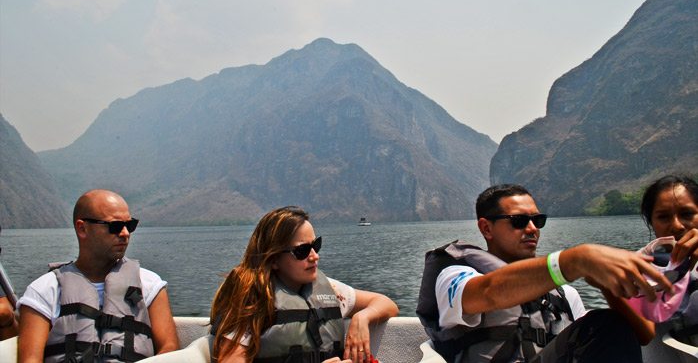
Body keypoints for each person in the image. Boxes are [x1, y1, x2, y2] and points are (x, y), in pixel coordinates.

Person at [417, 184, 674, 363]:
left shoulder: (564, 294)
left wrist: (611, 285)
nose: (531, 229)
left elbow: (637, 338)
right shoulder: (455, 276)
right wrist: (574, 261)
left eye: (537, 221)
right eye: (518, 221)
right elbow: (488, 292)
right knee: (602, 325)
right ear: (486, 228)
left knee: (607, 323)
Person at [209, 206, 399, 363]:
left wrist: (363, 318)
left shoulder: (330, 290)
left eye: (316, 245)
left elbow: (386, 304)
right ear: (273, 259)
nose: (315, 256)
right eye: (302, 250)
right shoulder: (250, 301)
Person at [17, 189, 179, 362]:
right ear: (82, 228)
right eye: (115, 226)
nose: (125, 233)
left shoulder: (149, 284)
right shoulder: (43, 290)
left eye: (130, 225)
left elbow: (169, 349)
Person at [637, 175, 698, 343]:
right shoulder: (638, 269)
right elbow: (644, 335)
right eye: (663, 217)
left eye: (687, 214)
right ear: (651, 223)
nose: (677, 225)